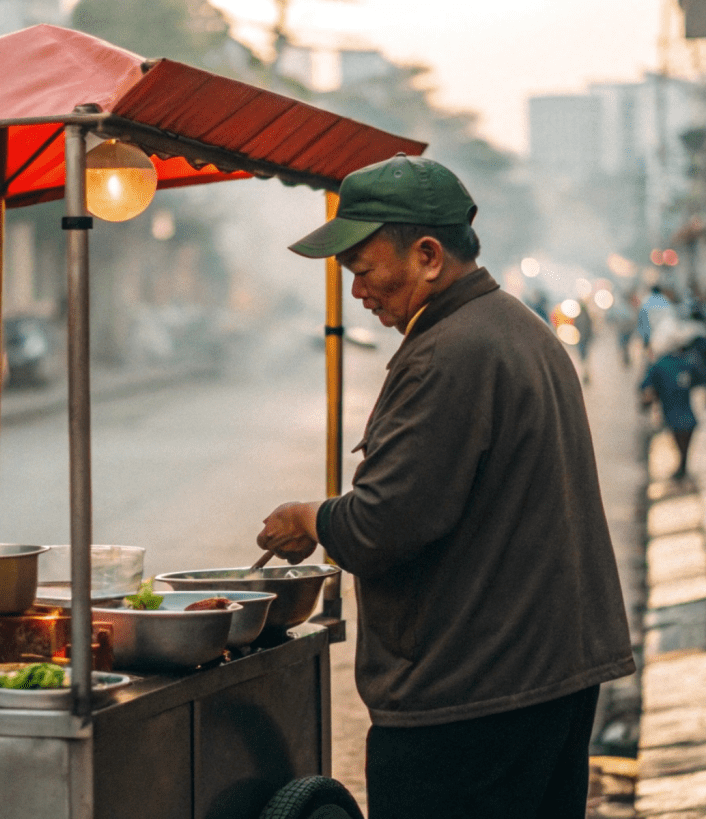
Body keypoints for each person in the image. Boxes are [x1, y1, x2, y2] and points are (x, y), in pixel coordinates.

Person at [256, 153, 635, 818]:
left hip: (471, 700)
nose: (357, 291)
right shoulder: (518, 327)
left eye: (364, 270)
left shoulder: (447, 353)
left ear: (428, 255)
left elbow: (381, 525)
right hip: (547, 680)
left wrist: (309, 518)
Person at [641, 316, 701, 481]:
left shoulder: (661, 364)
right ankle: (683, 467)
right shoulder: (686, 362)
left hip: (674, 412)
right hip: (683, 413)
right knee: (683, 443)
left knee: (680, 441)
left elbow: (646, 388)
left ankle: (682, 468)